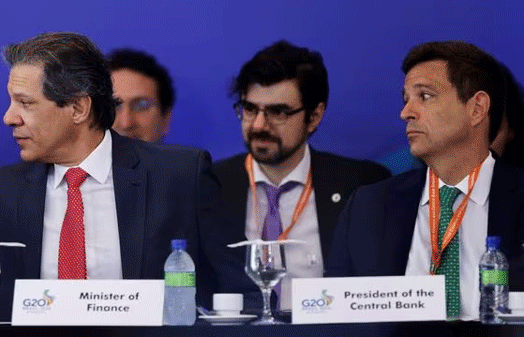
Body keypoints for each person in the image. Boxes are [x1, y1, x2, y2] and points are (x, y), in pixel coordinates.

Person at [0, 32, 250, 322]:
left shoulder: (180, 177)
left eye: (25, 103)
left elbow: (244, 293)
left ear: (78, 108)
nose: (9, 117)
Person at [327, 41, 524, 321]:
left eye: (425, 96)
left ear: (477, 108)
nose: (406, 113)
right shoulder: (367, 207)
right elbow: (334, 315)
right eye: (406, 99)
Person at [212, 40, 390, 308]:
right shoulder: (211, 185)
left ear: (314, 116)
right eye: (250, 109)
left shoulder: (362, 184)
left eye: (278, 112)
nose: (259, 125)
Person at [108, 48, 175, 143]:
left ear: (166, 119)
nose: (126, 123)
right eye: (112, 105)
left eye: (141, 105)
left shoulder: (197, 157)